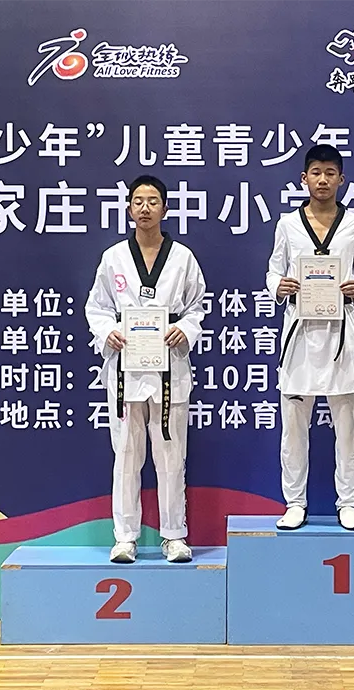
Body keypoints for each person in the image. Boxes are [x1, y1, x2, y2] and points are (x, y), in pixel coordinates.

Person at [85, 175, 207, 564]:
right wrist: (108, 331)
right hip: (126, 367)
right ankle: (125, 537)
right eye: (138, 201)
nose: (145, 208)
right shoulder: (114, 257)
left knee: (171, 455)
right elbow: (97, 307)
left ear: (165, 208)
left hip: (169, 365)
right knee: (125, 453)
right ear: (128, 208)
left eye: (152, 201)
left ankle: (174, 535)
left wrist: (185, 329)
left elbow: (197, 307)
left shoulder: (183, 257)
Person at [266, 144, 354, 531]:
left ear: (341, 179)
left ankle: (348, 503)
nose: (323, 180)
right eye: (316, 172)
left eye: (331, 173)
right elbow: (273, 270)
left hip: (340, 334)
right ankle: (295, 502)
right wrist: (278, 286)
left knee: (348, 427)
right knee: (294, 428)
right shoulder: (287, 224)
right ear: (304, 178)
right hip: (300, 335)